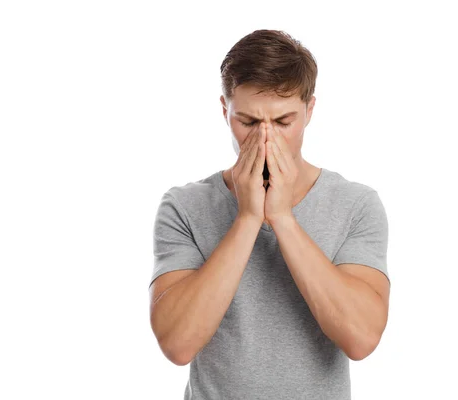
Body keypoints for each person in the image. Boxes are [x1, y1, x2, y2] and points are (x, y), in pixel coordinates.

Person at [149, 29, 390, 400]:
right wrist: (247, 218)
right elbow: (178, 345)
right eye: (247, 122)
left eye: (282, 122)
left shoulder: (356, 204)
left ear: (309, 111)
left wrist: (283, 218)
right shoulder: (184, 206)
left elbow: (360, 339)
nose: (265, 140)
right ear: (224, 110)